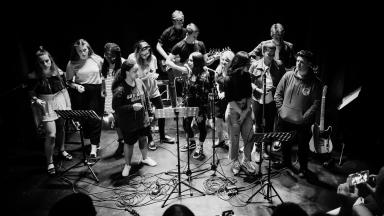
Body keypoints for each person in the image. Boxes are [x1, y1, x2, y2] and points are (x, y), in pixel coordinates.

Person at [273, 50, 322, 178]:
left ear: (309, 64)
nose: (298, 64)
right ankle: (286, 162)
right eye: (297, 61)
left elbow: (316, 103)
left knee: (303, 146)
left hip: (302, 122)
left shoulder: (315, 82)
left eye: (302, 62)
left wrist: (304, 117)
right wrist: (280, 110)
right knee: (285, 143)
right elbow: (278, 94)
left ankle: (303, 168)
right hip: (285, 119)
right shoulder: (287, 76)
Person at [28, 46, 72, 175]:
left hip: (60, 101)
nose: (45, 64)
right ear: (37, 63)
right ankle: (50, 161)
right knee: (51, 134)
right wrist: (36, 100)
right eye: (41, 62)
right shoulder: (33, 76)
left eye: (47, 61)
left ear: (50, 60)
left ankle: (62, 150)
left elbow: (64, 90)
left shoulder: (58, 72)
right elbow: (31, 93)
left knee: (61, 128)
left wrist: (68, 106)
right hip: (46, 103)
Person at [112, 60, 157, 177]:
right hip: (128, 122)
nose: (138, 73)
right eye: (135, 71)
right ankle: (127, 165)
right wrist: (131, 107)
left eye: (137, 70)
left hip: (142, 120)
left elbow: (146, 98)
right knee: (129, 143)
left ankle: (145, 158)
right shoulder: (120, 88)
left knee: (143, 138)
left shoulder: (139, 82)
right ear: (127, 72)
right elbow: (116, 107)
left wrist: (150, 113)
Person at [128, 40, 175, 151]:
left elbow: (153, 71)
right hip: (140, 91)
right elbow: (132, 78)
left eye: (147, 53)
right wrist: (146, 77)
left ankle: (163, 136)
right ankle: (150, 139)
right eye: (143, 54)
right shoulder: (132, 59)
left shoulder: (152, 58)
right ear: (138, 52)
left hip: (153, 90)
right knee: (146, 115)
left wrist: (153, 76)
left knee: (161, 112)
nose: (146, 55)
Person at [166, 52, 212, 159]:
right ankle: (192, 142)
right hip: (188, 105)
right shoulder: (190, 72)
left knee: (201, 127)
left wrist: (200, 113)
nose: (188, 62)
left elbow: (204, 97)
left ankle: (200, 146)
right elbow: (186, 90)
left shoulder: (204, 76)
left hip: (199, 107)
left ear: (197, 62)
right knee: (186, 124)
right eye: (189, 60)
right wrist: (183, 103)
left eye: (191, 60)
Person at [66, 39, 104, 161]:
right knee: (86, 120)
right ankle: (94, 140)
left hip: (97, 91)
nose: (83, 53)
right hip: (82, 92)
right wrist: (76, 86)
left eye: (85, 50)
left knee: (96, 119)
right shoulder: (72, 63)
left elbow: (104, 74)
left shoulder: (96, 59)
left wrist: (104, 88)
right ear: (76, 52)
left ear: (89, 48)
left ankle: (93, 148)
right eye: (80, 51)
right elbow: (68, 81)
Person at [249, 41, 285, 162]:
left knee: (269, 125)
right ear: (263, 52)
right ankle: (258, 149)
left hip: (271, 99)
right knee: (258, 125)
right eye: (269, 54)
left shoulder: (279, 65)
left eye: (273, 54)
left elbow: (282, 83)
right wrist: (257, 89)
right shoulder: (255, 65)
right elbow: (249, 82)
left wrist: (274, 90)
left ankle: (265, 149)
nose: (271, 57)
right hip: (257, 98)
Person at [166, 22, 218, 107]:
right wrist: (181, 68)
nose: (195, 38)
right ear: (187, 34)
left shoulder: (200, 44)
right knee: (187, 102)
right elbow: (167, 62)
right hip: (186, 79)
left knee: (200, 102)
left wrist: (215, 58)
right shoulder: (179, 45)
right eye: (194, 36)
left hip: (199, 80)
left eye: (196, 36)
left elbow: (206, 63)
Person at [224, 51, 256, 175]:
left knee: (249, 136)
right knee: (234, 138)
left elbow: (249, 96)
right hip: (234, 109)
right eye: (247, 63)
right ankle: (235, 161)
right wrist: (240, 113)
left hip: (246, 108)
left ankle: (246, 160)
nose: (249, 65)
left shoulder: (247, 76)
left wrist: (245, 112)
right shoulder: (228, 78)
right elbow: (230, 101)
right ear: (241, 63)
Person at [156, 10, 187, 107]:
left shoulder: (186, 32)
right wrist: (167, 58)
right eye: (177, 21)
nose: (179, 23)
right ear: (173, 21)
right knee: (172, 83)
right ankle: (174, 105)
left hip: (181, 60)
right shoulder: (168, 32)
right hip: (171, 60)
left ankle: (184, 102)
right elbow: (158, 46)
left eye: (181, 20)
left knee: (185, 82)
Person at [101, 42, 126, 158]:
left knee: (124, 120)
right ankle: (121, 142)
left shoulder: (123, 63)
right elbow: (103, 78)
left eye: (113, 56)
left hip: (121, 95)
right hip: (110, 96)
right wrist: (103, 88)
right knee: (116, 121)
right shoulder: (103, 63)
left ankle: (127, 142)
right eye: (108, 55)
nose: (110, 58)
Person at [212, 50, 235, 150]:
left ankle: (231, 142)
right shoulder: (218, 69)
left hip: (230, 99)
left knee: (228, 122)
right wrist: (219, 91)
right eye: (222, 59)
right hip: (219, 98)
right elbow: (217, 82)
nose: (224, 62)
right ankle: (220, 139)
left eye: (227, 60)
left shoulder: (234, 72)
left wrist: (225, 93)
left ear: (231, 62)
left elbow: (235, 86)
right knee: (218, 121)